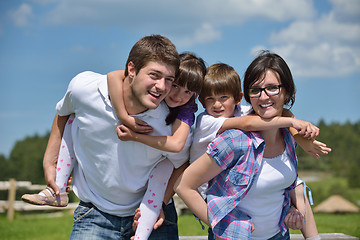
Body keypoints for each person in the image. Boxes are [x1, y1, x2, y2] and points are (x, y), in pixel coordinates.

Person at [26, 34, 192, 240]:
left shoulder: (168, 124)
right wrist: (50, 158)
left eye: (169, 80)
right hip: (93, 213)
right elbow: (64, 111)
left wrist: (160, 203)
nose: (161, 86)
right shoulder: (84, 89)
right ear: (131, 69)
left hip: (148, 218)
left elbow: (181, 163)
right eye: (154, 75)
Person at [175, 51, 328, 239]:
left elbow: (294, 184)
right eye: (255, 90)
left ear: (287, 91)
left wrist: (297, 212)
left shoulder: (287, 137)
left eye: (272, 88)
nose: (263, 97)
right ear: (248, 95)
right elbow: (183, 185)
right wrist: (223, 226)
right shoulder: (231, 139)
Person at [106, 52, 206, 240]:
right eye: (174, 85)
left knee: (163, 170)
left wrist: (135, 136)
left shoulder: (186, 109)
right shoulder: (153, 90)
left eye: (188, 92)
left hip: (170, 168)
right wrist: (124, 117)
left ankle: (143, 231)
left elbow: (177, 145)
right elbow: (113, 75)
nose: (178, 95)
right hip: (131, 180)